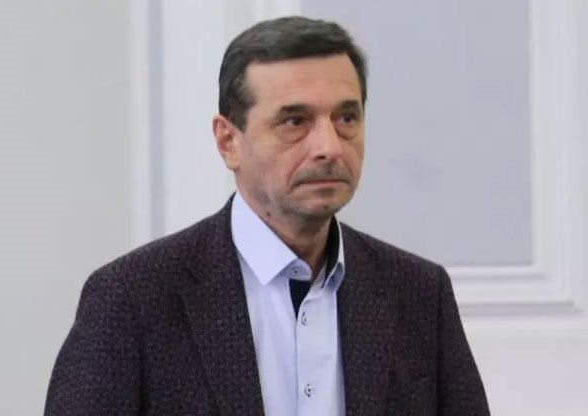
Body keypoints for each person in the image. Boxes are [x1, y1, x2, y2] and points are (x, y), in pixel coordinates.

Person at [45, 16, 490, 415]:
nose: (329, 147)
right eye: (295, 121)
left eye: (346, 118)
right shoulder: (133, 299)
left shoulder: (418, 293)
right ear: (228, 142)